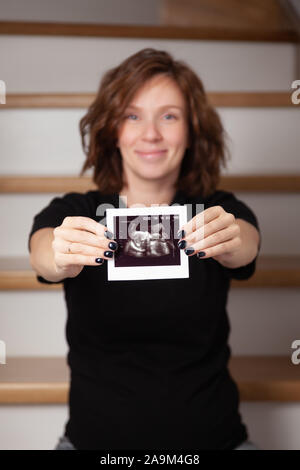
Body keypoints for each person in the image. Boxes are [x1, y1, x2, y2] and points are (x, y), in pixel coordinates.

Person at [28, 48, 262, 450]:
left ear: (191, 131)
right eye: (132, 116)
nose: (150, 134)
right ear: (111, 130)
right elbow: (43, 254)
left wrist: (232, 238)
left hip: (215, 440)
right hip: (94, 443)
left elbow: (246, 244)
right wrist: (60, 253)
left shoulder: (217, 211)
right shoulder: (75, 211)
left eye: (168, 116)